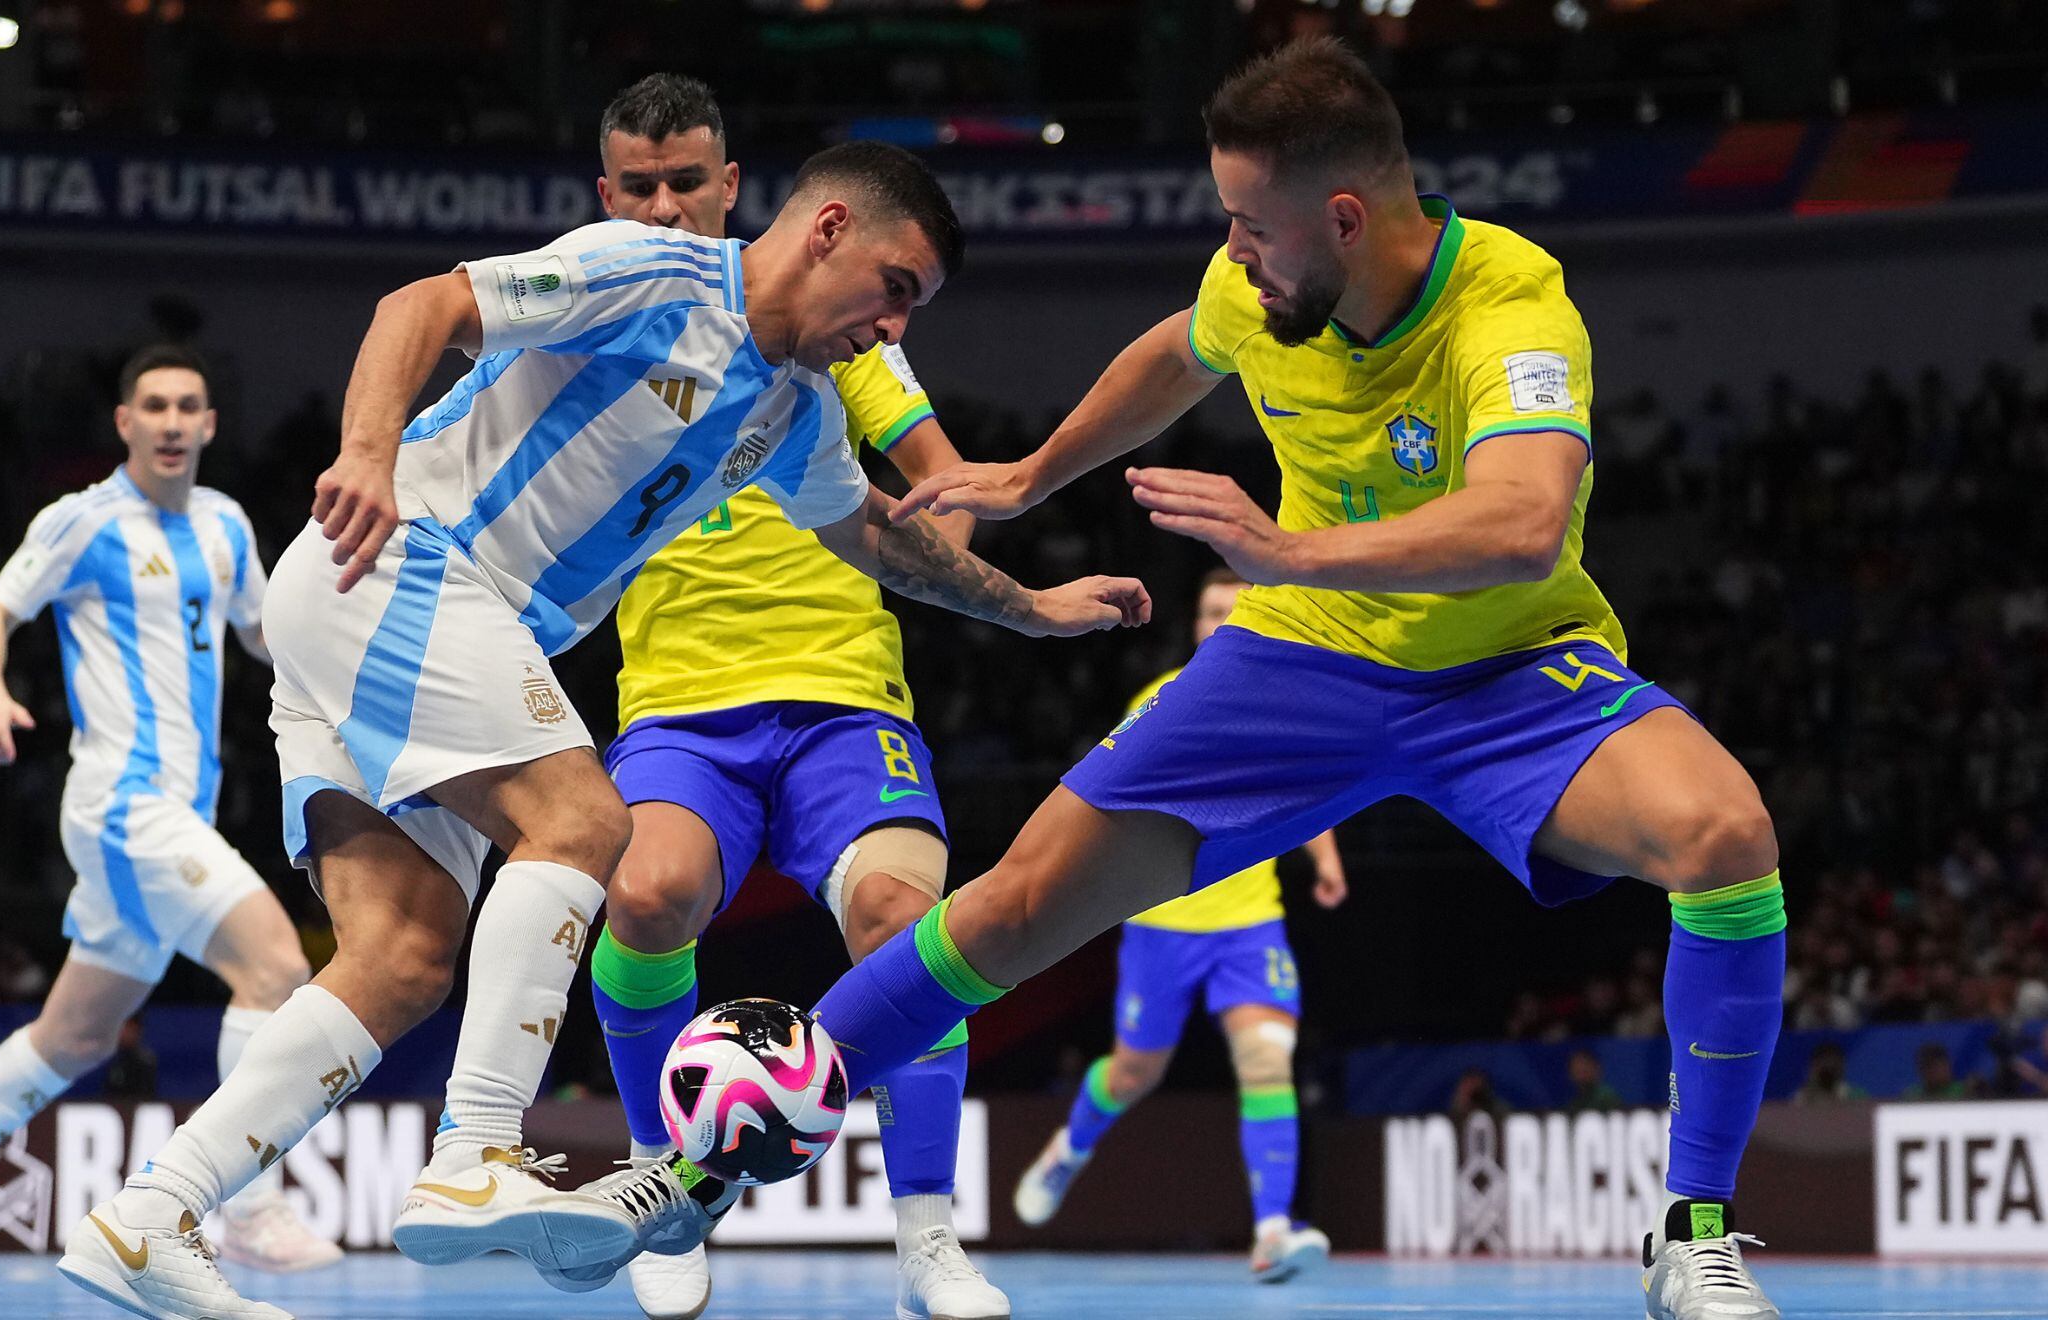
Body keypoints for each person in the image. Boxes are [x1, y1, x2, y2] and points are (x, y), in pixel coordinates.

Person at [562, 40, 1791, 1320]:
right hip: (1306, 661)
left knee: (1725, 833)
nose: (1232, 250)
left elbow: (1524, 520)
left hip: (1509, 669)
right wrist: (1033, 474)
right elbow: (1175, 353)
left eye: (1249, 225)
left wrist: (1284, 547)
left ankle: (1691, 1232)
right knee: (1012, 904)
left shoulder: (1511, 308)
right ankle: (693, 1179)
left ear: (1346, 217)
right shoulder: (1260, 283)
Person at [56, 140, 1146, 1320]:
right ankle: (473, 1150)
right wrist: (365, 453)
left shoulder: (795, 414)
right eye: (895, 287)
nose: (891, 328)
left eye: (912, 310)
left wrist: (1032, 610)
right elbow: (422, 305)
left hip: (409, 628)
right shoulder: (657, 274)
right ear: (829, 227)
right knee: (581, 821)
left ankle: (151, 1213)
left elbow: (884, 541)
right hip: (404, 563)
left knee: (404, 957)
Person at [581, 74, 1004, 1320]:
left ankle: (927, 1239)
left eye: (687, 183)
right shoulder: (597, 330)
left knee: (899, 914)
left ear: (731, 189)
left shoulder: (840, 333)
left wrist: (915, 545)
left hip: (840, 695)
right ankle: (668, 1200)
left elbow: (949, 484)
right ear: (605, 198)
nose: (665, 205)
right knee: (647, 895)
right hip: (677, 704)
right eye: (639, 187)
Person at [0, 345, 339, 1295]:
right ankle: (245, 1205)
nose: (169, 421)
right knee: (276, 968)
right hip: (124, 806)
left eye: (186, 406)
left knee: (73, 1036)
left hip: (176, 811)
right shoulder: (83, 522)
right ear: (125, 423)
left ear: (208, 425)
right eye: (151, 405)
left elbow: (262, 634)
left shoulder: (228, 526)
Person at [1012, 568, 1344, 1283]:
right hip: (1163, 923)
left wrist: (1325, 856)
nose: (1219, 621)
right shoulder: (1160, 699)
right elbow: (1110, 793)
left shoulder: (1285, 703)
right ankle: (1069, 1148)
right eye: (1209, 610)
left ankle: (1273, 1230)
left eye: (1233, 611)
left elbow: (1304, 782)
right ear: (1195, 625)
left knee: (1265, 1060)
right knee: (1135, 1071)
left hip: (1249, 922)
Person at [1791, 1040, 1864, 1103]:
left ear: (1841, 1067)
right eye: (1823, 1065)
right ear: (1813, 1068)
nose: (1828, 1068)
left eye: (1833, 1067)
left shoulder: (1855, 1096)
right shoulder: (1802, 1097)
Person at [1566, 1048, 1624, 1113]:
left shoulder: (1606, 1097)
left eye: (1584, 1067)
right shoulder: (1576, 1101)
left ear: (1595, 1069)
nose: (1581, 1073)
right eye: (1577, 1069)